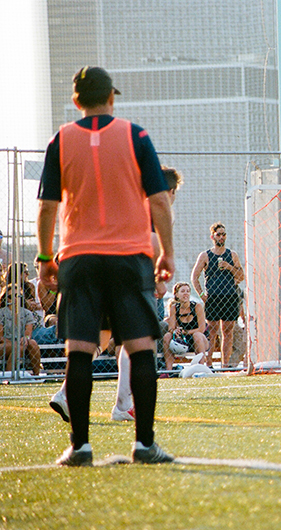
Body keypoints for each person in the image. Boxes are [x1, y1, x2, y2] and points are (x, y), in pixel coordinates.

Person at [37, 66, 175, 465]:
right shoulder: (136, 135)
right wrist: (165, 251)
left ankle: (80, 446)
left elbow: (47, 206)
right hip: (130, 257)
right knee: (141, 348)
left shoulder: (60, 140)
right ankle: (144, 444)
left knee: (79, 350)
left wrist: (46, 257)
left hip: (78, 257)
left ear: (76, 100)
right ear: (111, 98)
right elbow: (160, 200)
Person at [49, 165, 183, 423]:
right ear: (169, 190)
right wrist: (157, 279)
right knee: (139, 339)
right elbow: (151, 243)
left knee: (103, 338)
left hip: (91, 270)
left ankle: (70, 393)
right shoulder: (156, 206)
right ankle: (120, 406)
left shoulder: (127, 202)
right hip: (121, 277)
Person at [191, 222, 245, 368]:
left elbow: (241, 277)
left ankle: (225, 364)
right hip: (213, 298)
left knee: (227, 332)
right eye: (218, 234)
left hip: (230, 297)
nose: (221, 237)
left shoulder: (232, 255)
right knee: (213, 332)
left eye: (223, 234)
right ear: (212, 236)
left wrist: (229, 267)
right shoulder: (205, 255)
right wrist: (202, 294)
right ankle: (209, 363)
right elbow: (194, 277)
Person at [163, 282, 209, 371]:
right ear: (176, 294)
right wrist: (175, 331)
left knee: (197, 335)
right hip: (182, 340)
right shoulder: (174, 308)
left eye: (188, 291)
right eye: (182, 291)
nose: (186, 293)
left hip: (199, 340)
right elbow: (171, 328)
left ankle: (201, 368)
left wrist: (186, 332)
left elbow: (201, 329)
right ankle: (168, 371)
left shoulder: (197, 306)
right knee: (167, 336)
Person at [0, 286, 41, 375]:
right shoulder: (1, 313)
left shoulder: (27, 313)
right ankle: (9, 375)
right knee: (17, 347)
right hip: (5, 343)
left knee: (32, 343)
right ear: (6, 298)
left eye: (17, 295)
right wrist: (14, 343)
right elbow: (0, 337)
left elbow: (28, 332)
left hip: (21, 342)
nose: (14, 298)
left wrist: (25, 338)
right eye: (11, 296)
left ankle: (37, 375)